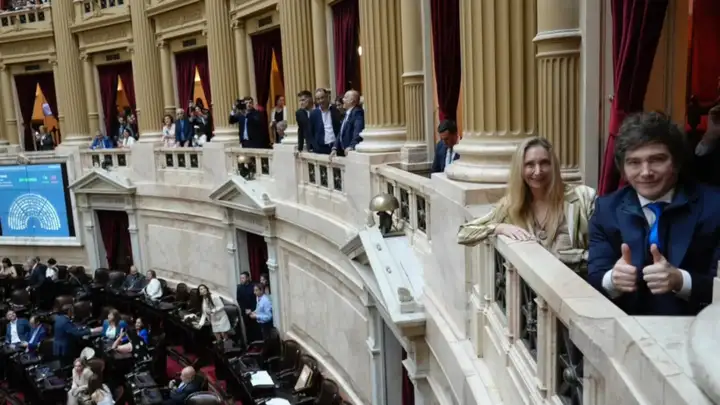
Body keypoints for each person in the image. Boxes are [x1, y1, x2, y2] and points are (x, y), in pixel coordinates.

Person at [588, 112, 720, 316]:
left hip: (698, 327)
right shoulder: (606, 209)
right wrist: (612, 280)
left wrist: (681, 280)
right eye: (634, 162)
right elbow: (595, 277)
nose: (646, 172)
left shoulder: (715, 206)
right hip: (624, 328)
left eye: (657, 160)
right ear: (623, 169)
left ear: (676, 162)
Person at [457, 137, 596, 272]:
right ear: (520, 169)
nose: (538, 171)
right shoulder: (511, 205)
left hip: (578, 284)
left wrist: (576, 257)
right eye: (530, 165)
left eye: (544, 163)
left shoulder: (583, 198)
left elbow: (602, 252)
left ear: (553, 165)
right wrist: (498, 227)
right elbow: (464, 233)